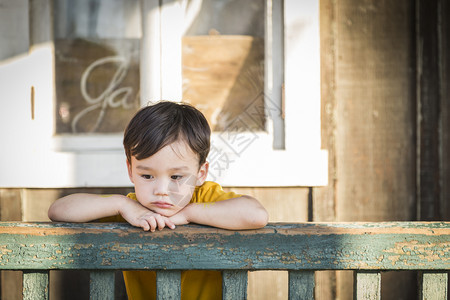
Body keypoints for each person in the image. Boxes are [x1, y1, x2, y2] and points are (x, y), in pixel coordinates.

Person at [48, 100, 269, 300]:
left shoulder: (206, 198)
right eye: (147, 176)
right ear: (130, 170)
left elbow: (256, 215)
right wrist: (121, 204)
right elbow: (58, 210)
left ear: (201, 173)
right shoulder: (133, 208)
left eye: (176, 177)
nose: (161, 190)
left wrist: (189, 213)